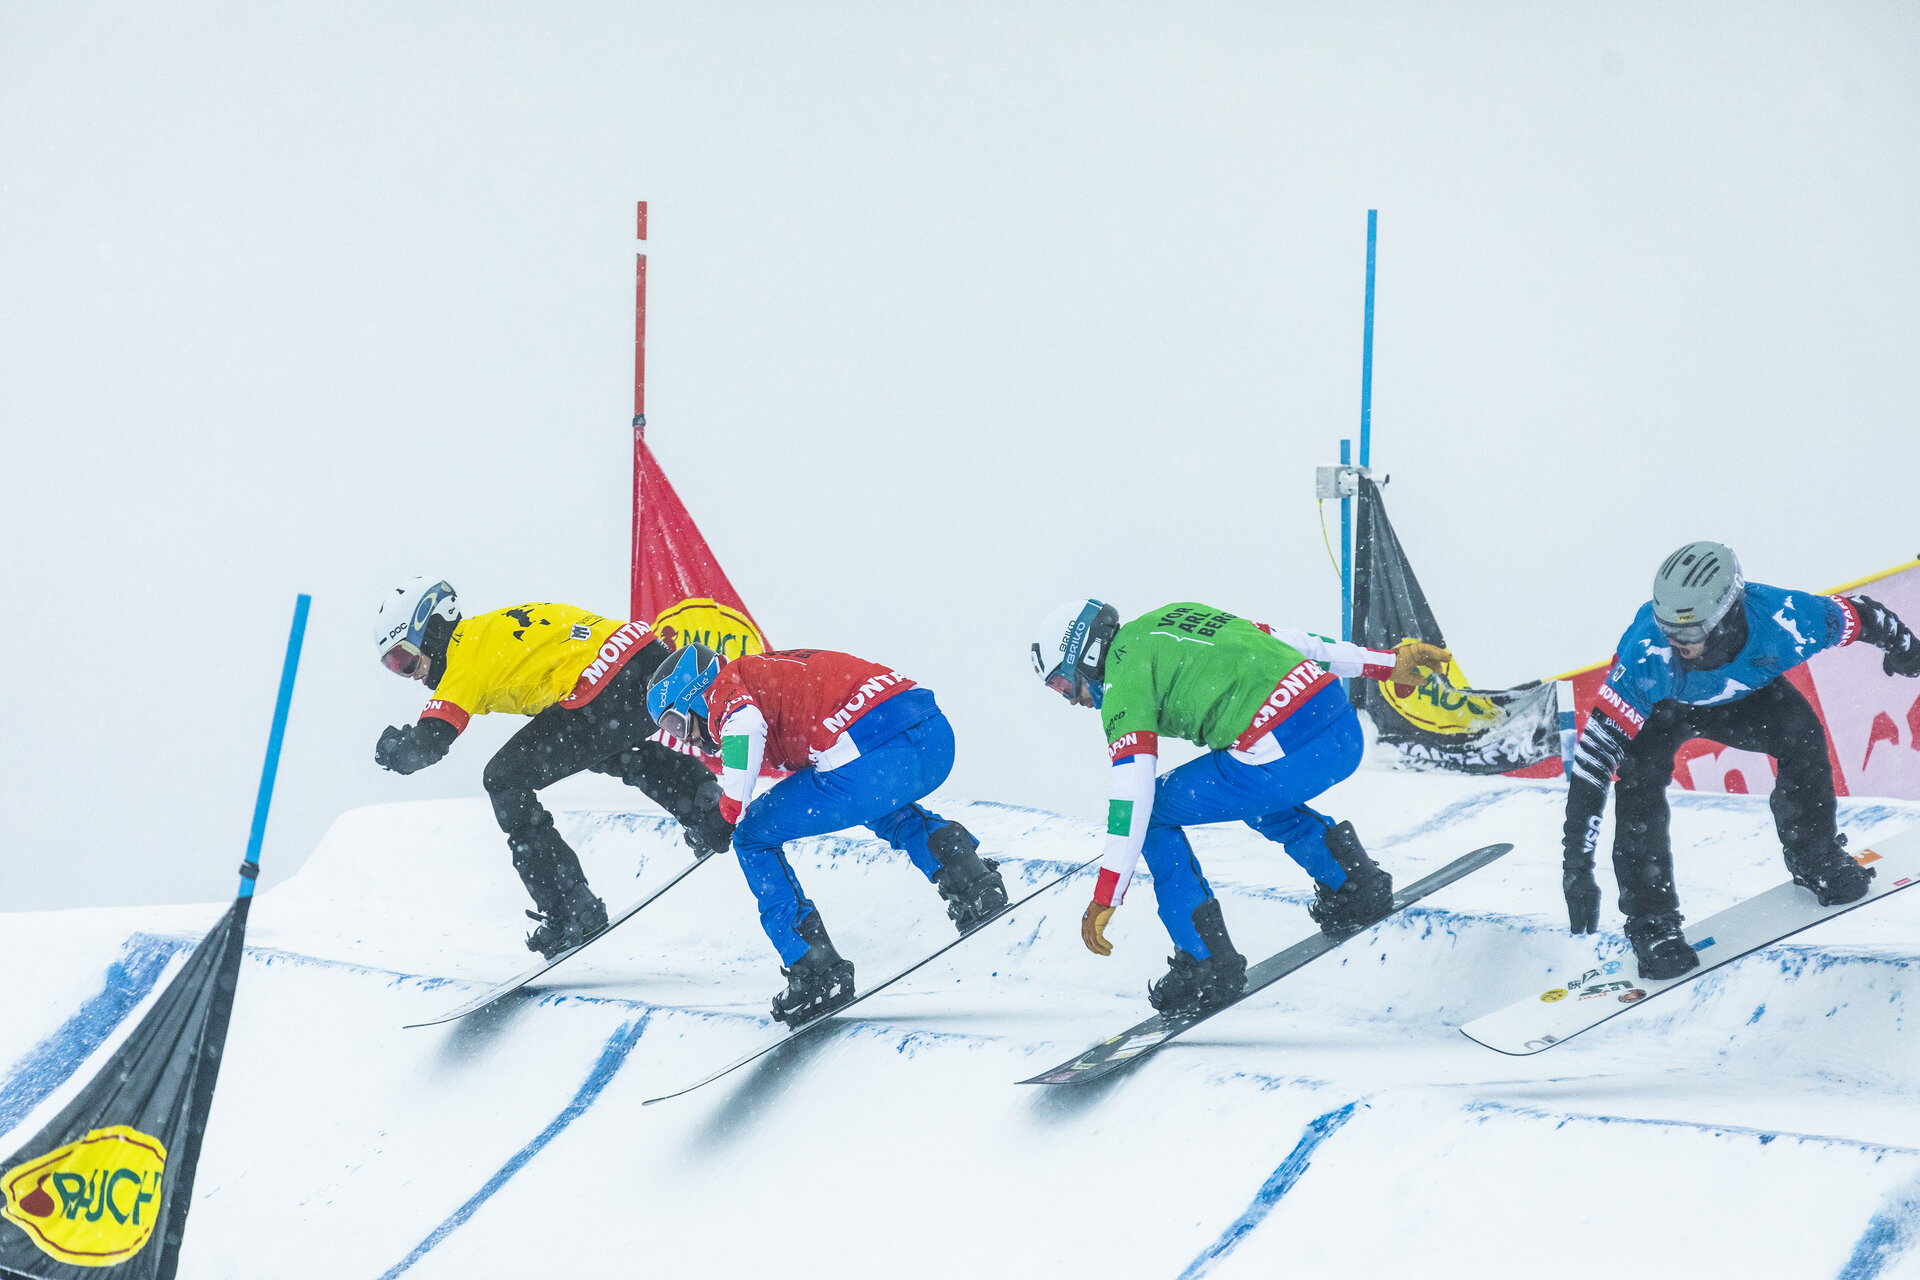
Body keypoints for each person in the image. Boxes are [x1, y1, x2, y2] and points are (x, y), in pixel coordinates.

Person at [1030, 598, 1450, 1016]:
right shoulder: (1173, 615)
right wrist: (1386, 663)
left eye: (1063, 684)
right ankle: (1353, 883)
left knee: (1154, 812)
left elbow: (1132, 792)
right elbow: (1292, 642)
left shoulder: (1123, 678)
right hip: (1340, 729)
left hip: (1285, 756)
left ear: (1085, 655)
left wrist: (1107, 894)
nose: (1071, 700)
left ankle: (1206, 963)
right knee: (1241, 784)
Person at [1561, 542, 1920, 979]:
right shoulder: (1648, 654)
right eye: (1668, 628)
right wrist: (1577, 867)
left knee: (1803, 735)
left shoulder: (1789, 619)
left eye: (1689, 633)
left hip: (1744, 698)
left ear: (1728, 615)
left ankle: (1814, 858)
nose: (1676, 642)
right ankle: (1651, 922)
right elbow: (1592, 768)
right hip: (1662, 709)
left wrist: (1908, 652)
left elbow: (1866, 616)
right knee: (1638, 784)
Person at [646, 643, 1007, 1028]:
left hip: (871, 755)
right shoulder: (759, 672)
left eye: (677, 725)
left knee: (752, 836)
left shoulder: (723, 688)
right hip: (930, 738)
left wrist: (726, 814)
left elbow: (744, 724)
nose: (685, 740)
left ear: (694, 694)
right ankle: (969, 877)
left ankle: (815, 969)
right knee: (875, 806)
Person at [371, 578, 730, 957]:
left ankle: (570, 907)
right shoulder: (487, 629)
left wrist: (394, 750)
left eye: (403, 659)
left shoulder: (462, 661)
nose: (409, 674)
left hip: (604, 686)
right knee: (613, 751)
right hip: (644, 659)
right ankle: (704, 805)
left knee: (503, 780)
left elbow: (427, 746)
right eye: (394, 667)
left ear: (429, 630)